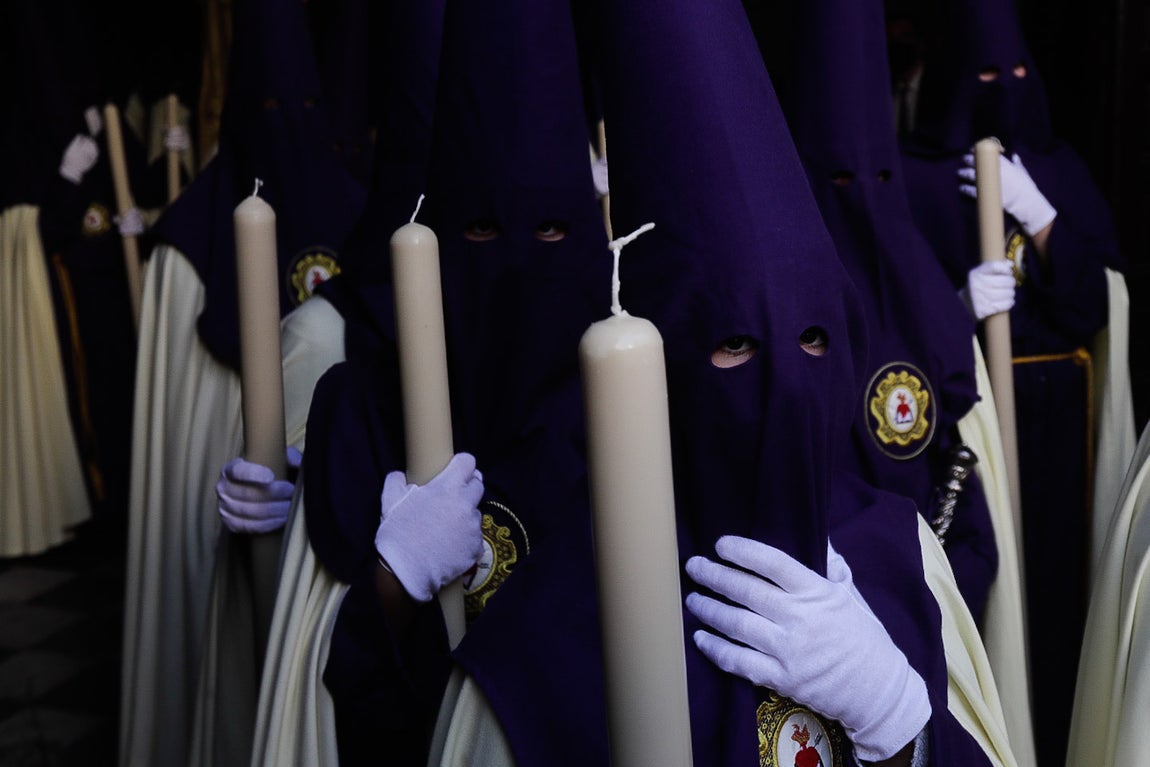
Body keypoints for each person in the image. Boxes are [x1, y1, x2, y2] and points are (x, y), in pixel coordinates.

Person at [117, 0, 366, 762]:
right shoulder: (187, 252)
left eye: (310, 110)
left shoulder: (365, 216)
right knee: (214, 629)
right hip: (222, 506)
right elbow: (174, 456)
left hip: (328, 535)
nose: (292, 130)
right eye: (271, 109)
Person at [898, 0, 1126, 763]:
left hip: (1062, 413)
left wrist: (1047, 219)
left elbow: (1101, 301)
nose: (1003, 89)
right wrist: (955, 311)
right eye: (985, 75)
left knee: (1061, 581)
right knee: (988, 582)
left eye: (1016, 74)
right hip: (976, 418)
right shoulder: (916, 180)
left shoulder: (1059, 168)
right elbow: (894, 316)